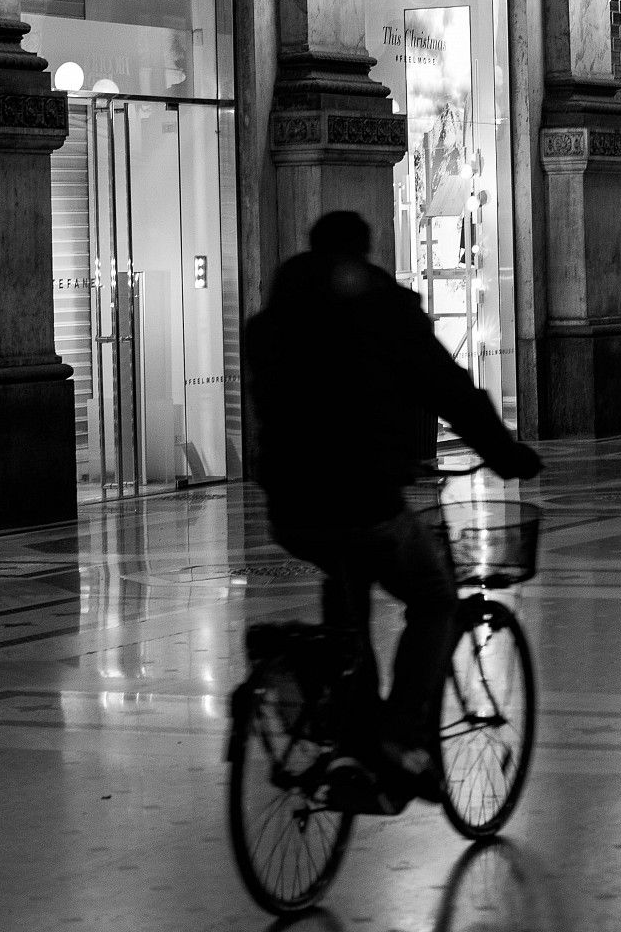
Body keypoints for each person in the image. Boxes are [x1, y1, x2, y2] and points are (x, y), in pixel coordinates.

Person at [243, 210, 541, 803]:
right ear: (363, 250)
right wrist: (504, 452)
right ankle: (397, 735)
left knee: (344, 589)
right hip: (365, 500)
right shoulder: (383, 310)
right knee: (435, 601)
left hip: (290, 506)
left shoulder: (269, 322)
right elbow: (448, 387)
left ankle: (349, 729)